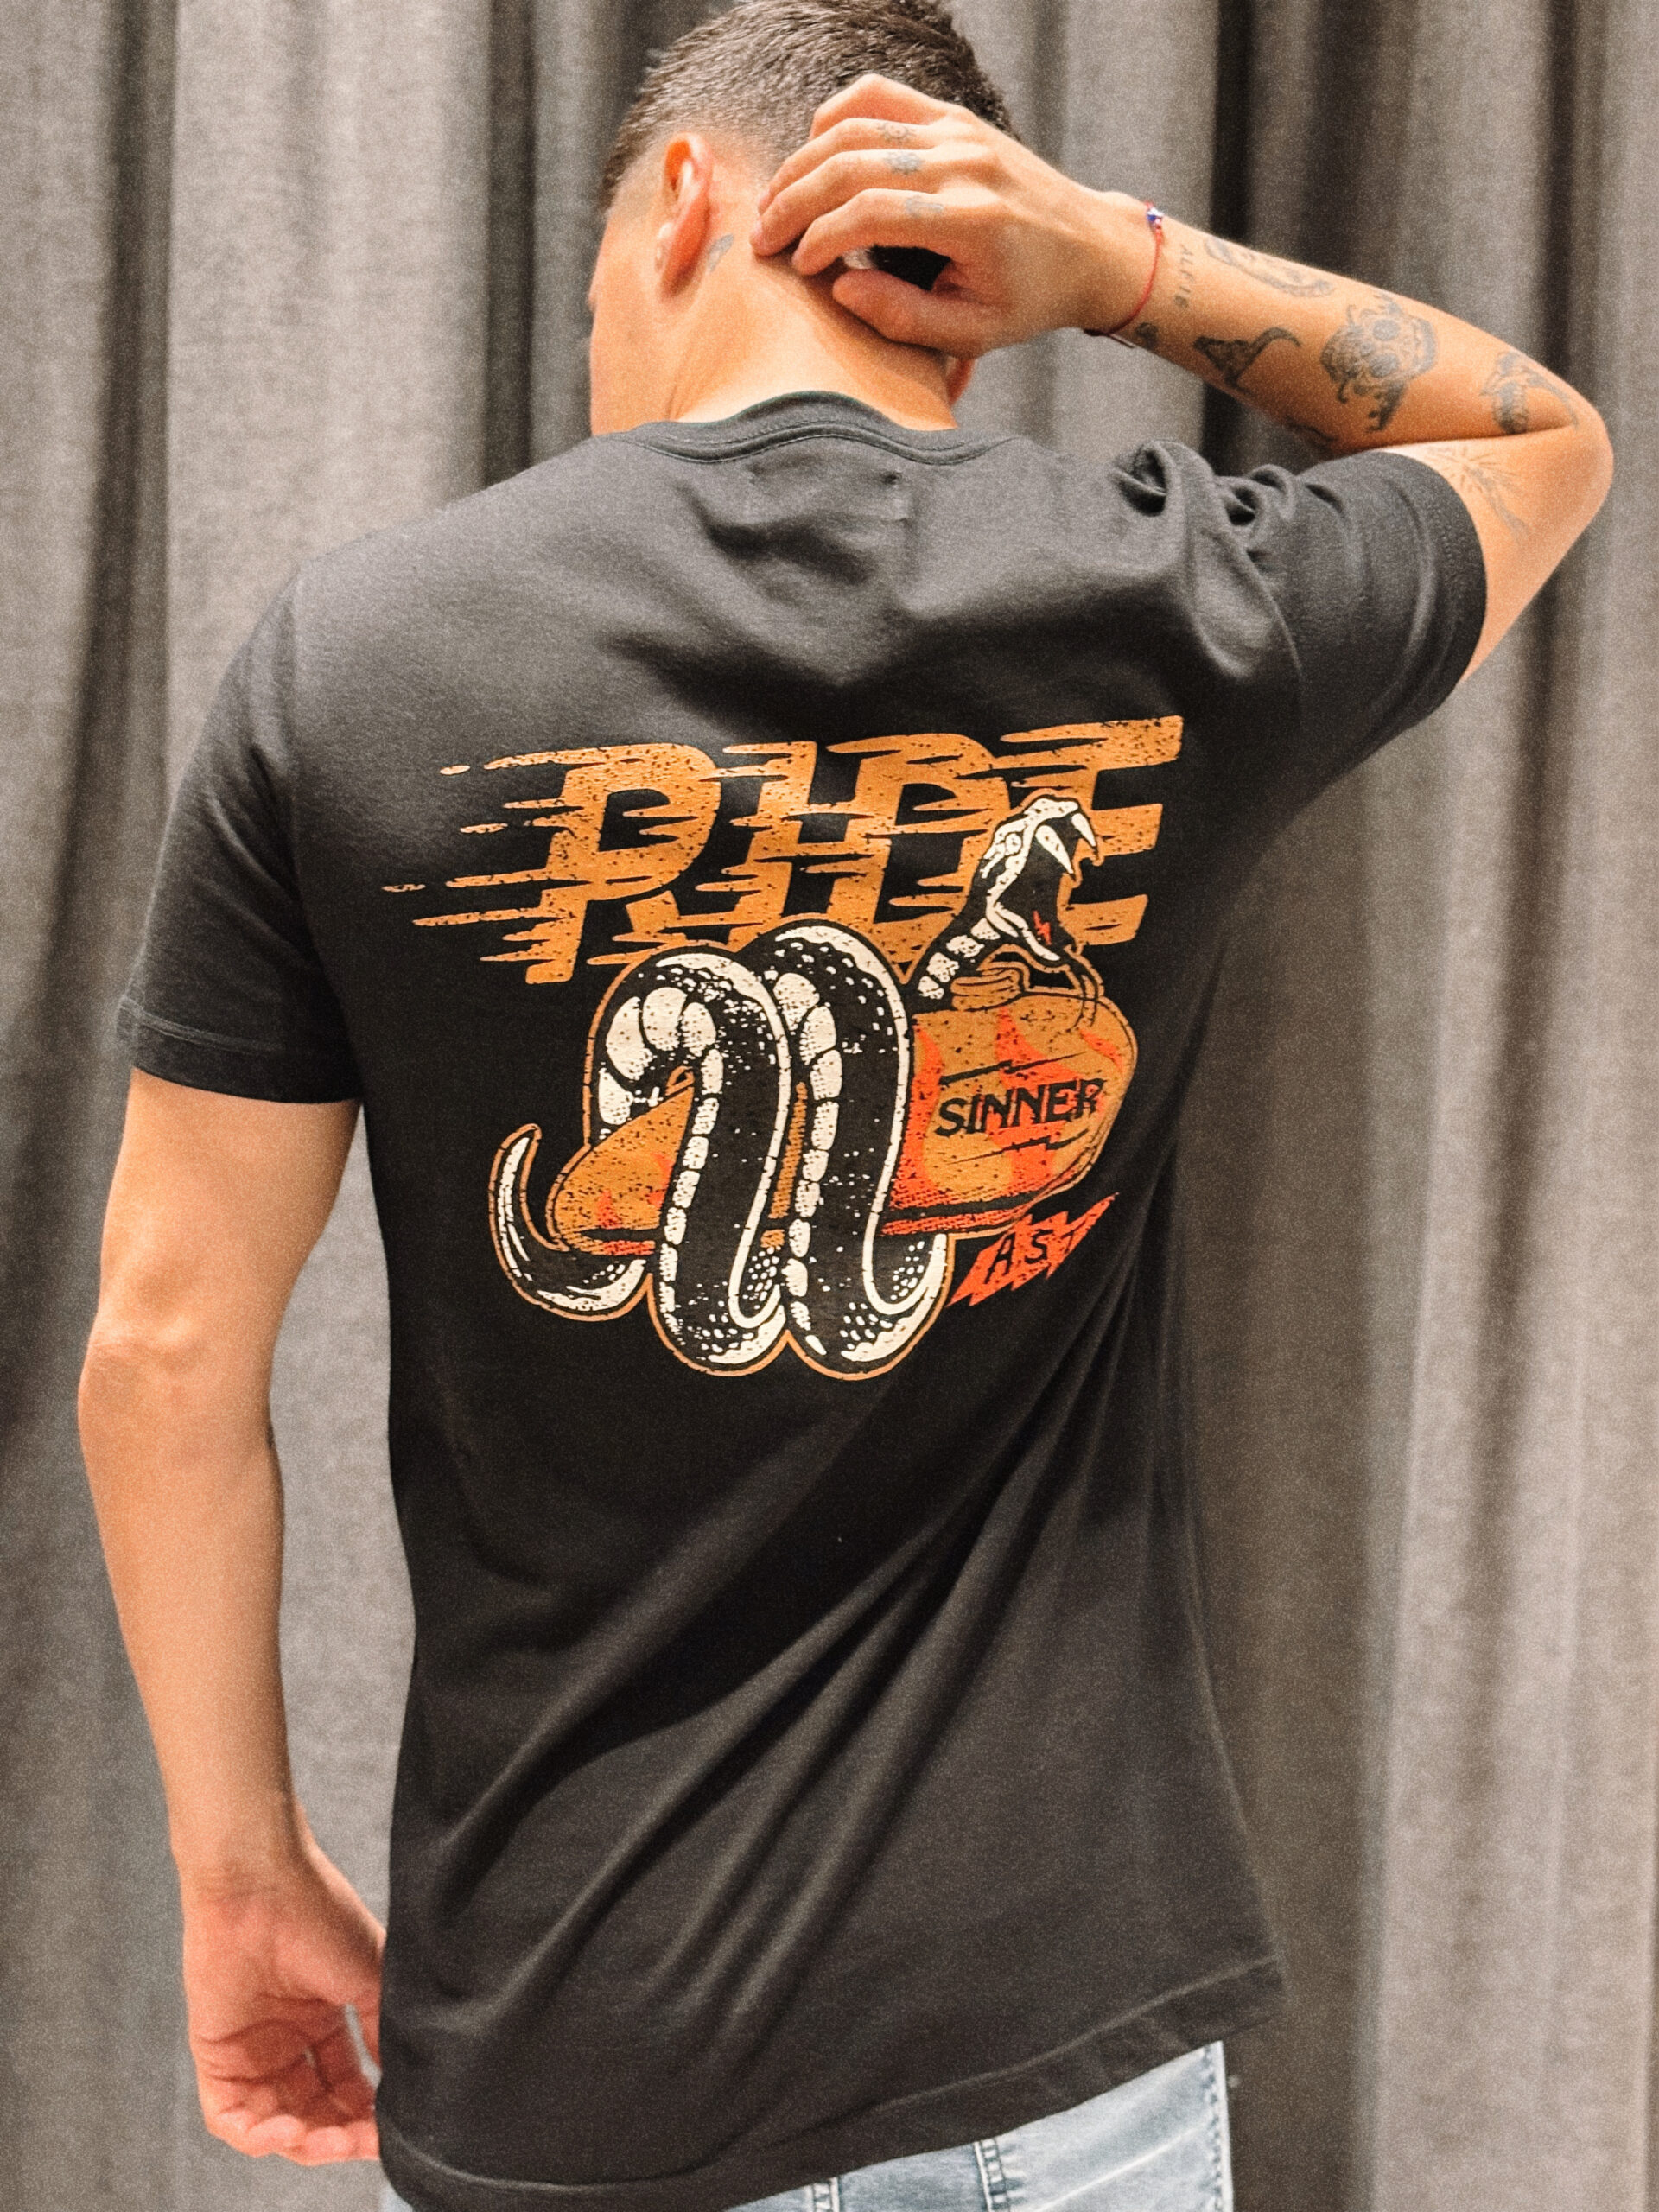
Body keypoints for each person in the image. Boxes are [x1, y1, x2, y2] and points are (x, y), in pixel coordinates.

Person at [77, 3, 1611, 2209]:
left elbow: (164, 1352)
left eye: (595, 290)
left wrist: (240, 1874)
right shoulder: (1177, 596)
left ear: (680, 204)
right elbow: (1542, 437)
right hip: (1045, 2025)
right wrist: (1123, 267)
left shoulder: (355, 664)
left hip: (580, 2039)